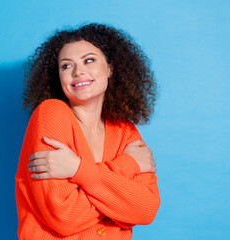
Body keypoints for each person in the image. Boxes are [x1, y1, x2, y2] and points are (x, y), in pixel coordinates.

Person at [15, 23, 160, 239]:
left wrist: (77, 170)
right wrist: (126, 167)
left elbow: (146, 209)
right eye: (66, 66)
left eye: (89, 60)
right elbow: (63, 216)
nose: (78, 71)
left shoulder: (125, 130)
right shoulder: (50, 114)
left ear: (110, 68)